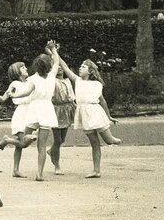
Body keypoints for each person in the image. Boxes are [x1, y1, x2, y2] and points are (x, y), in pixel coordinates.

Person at [55, 49, 122, 179]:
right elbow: (65, 66)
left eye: (83, 66)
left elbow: (102, 101)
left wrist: (108, 116)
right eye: (80, 66)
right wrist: (54, 52)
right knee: (94, 143)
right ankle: (96, 170)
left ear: (90, 71)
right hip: (84, 114)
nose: (80, 68)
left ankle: (114, 139)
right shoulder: (78, 81)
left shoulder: (97, 84)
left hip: (95, 113)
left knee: (109, 141)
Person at [0, 61, 37, 178]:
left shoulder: (31, 81)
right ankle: (7, 139)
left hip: (31, 112)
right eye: (23, 67)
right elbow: (3, 98)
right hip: (21, 113)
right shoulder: (14, 84)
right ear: (17, 71)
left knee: (20, 144)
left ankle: (15, 170)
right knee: (23, 143)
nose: (26, 68)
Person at [25, 52, 59, 181]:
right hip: (47, 109)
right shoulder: (52, 76)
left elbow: (26, 92)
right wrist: (53, 49)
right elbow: (56, 62)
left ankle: (29, 136)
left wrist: (14, 95)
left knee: (23, 139)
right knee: (42, 146)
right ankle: (39, 173)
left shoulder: (33, 79)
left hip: (35, 108)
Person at [47, 55, 76, 176]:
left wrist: (74, 107)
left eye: (61, 67)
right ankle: (57, 164)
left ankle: (51, 150)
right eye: (56, 67)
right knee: (57, 139)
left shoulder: (67, 81)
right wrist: (51, 53)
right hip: (56, 110)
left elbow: (71, 96)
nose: (59, 69)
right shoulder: (52, 81)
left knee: (62, 139)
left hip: (67, 109)